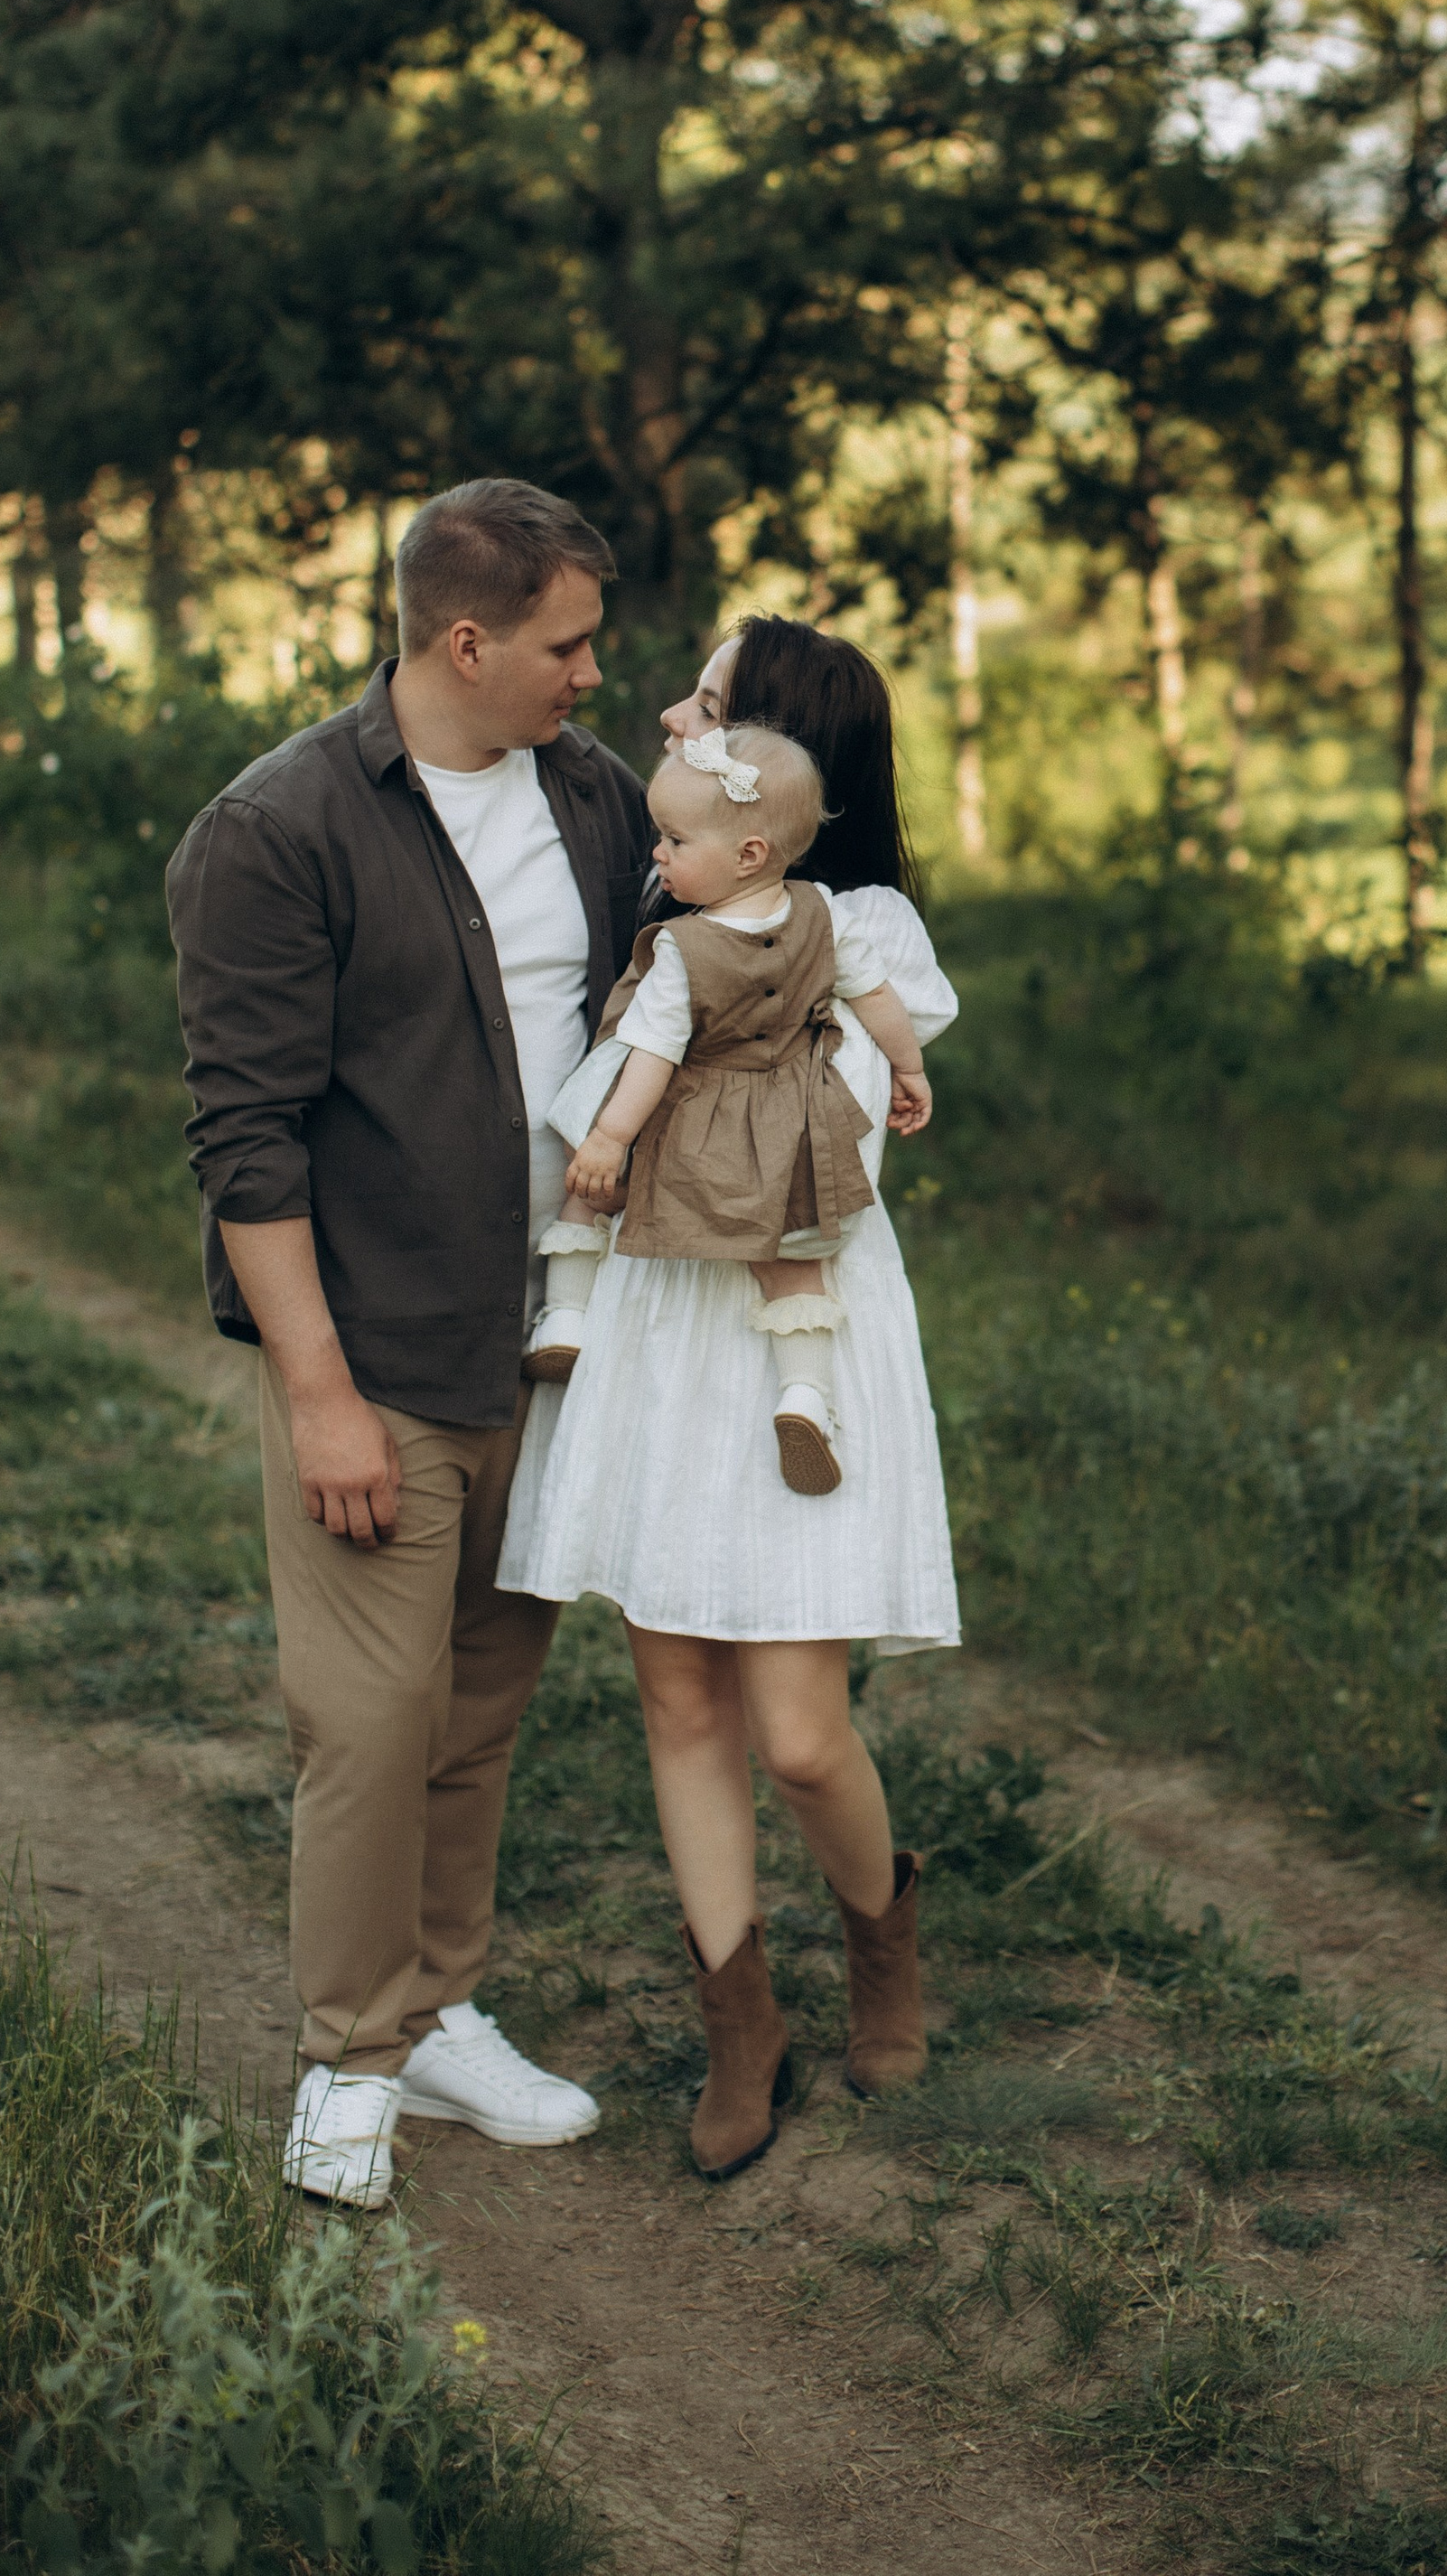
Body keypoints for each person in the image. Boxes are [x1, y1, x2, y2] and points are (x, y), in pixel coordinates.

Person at [166, 479, 653, 2210]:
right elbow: (248, 1143)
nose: (593, 672)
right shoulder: (279, 830)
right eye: (567, 641)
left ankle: (440, 2015)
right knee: (368, 1720)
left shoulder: (597, 802)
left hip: (556, 1343)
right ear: (469, 639)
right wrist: (319, 1399)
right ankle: (349, 2061)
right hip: (375, 1354)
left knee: (477, 1708)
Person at [498, 616, 958, 2180]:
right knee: (679, 1693)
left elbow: (830, 1134)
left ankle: (882, 1925)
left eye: (700, 698)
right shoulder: (672, 895)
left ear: (768, 756)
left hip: (788, 1313)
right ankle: (738, 2017)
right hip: (661, 1317)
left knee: (802, 1731)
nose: (665, 712)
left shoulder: (855, 926)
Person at [534, 722, 932, 1494]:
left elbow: (651, 1056)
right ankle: (806, 1396)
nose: (658, 854)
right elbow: (876, 996)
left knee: (595, 1193)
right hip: (792, 1122)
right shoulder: (824, 912)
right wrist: (909, 1068)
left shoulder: (683, 950)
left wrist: (611, 1137)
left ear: (748, 854)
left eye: (675, 841)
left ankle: (566, 1320)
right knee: (792, 1265)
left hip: (695, 1116)